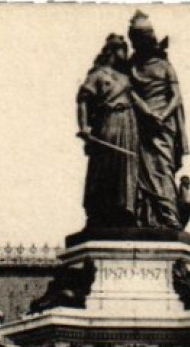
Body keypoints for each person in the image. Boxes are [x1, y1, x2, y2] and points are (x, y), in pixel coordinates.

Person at [127, 12, 189, 230]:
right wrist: (146, 112)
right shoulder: (130, 66)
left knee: (163, 168)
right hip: (141, 125)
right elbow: (128, 92)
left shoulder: (165, 66)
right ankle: (144, 217)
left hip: (163, 127)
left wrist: (161, 116)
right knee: (138, 172)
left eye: (143, 37)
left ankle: (168, 215)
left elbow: (176, 96)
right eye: (135, 38)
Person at [76, 34, 139, 231]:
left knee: (126, 168)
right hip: (108, 122)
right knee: (105, 167)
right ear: (112, 50)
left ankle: (125, 210)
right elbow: (83, 100)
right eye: (122, 50)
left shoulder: (127, 78)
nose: (125, 54)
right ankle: (102, 212)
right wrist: (84, 126)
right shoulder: (98, 74)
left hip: (129, 124)